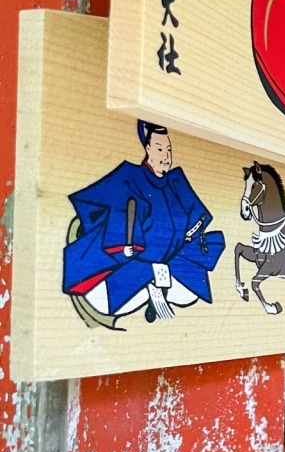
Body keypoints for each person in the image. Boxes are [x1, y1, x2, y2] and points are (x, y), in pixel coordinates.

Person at [63, 121, 225, 327]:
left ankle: (156, 284)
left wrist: (190, 232)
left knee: (190, 293)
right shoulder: (128, 177)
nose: (166, 158)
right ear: (148, 149)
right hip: (130, 261)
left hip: (169, 260)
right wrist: (123, 248)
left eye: (168, 150)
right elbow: (103, 207)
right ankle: (148, 284)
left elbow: (195, 217)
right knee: (110, 297)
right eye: (159, 150)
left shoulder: (174, 182)